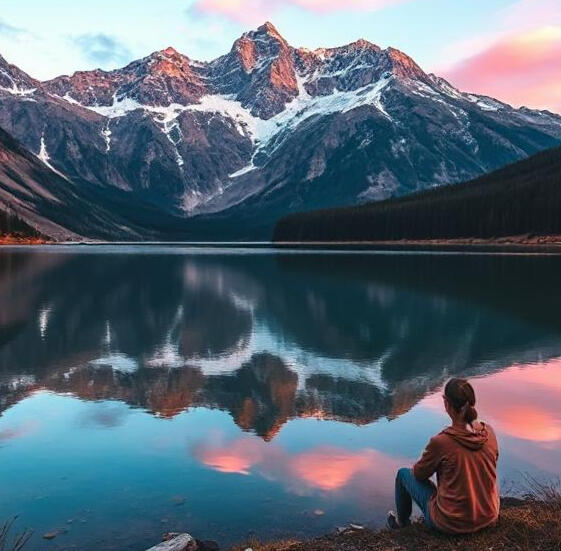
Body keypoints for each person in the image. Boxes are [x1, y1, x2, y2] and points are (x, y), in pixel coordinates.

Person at [387, 378, 499, 534]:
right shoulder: (489, 433)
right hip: (488, 517)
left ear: (447, 404)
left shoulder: (441, 442)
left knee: (403, 475)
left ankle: (402, 525)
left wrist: (426, 460)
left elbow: (419, 474)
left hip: (450, 524)